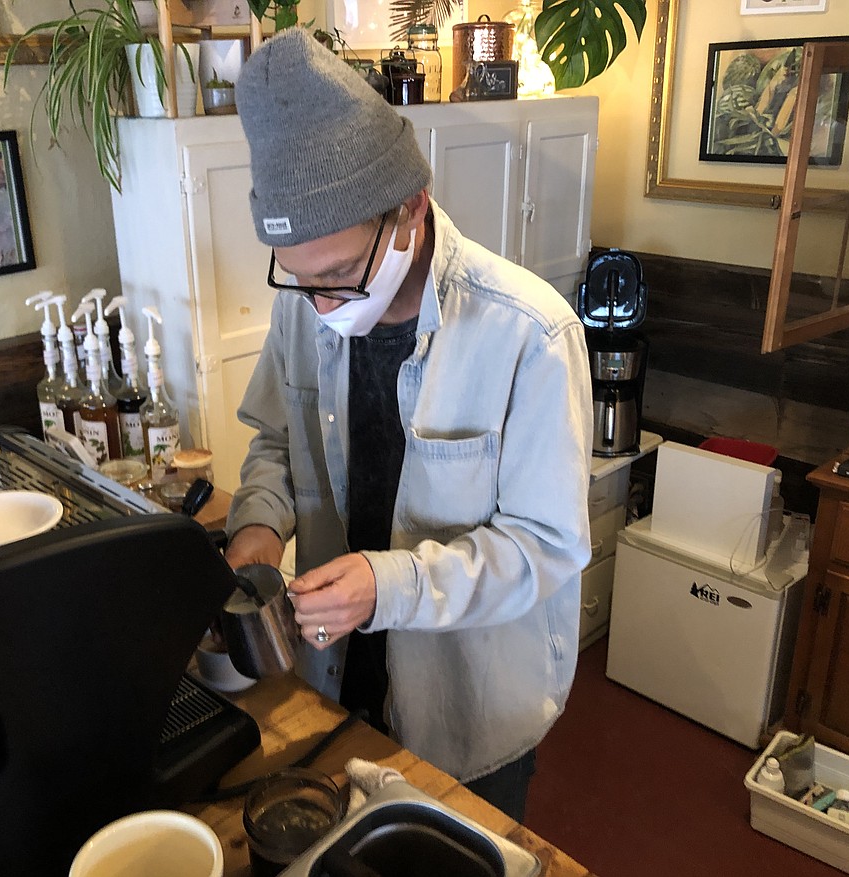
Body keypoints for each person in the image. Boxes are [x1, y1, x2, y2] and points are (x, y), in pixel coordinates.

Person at [223, 28, 593, 822]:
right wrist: (258, 523)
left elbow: (545, 548)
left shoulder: (530, 333)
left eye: (336, 276)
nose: (322, 305)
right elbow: (276, 444)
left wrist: (389, 584)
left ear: (410, 210)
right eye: (299, 281)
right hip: (336, 669)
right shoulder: (309, 306)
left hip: (468, 699)